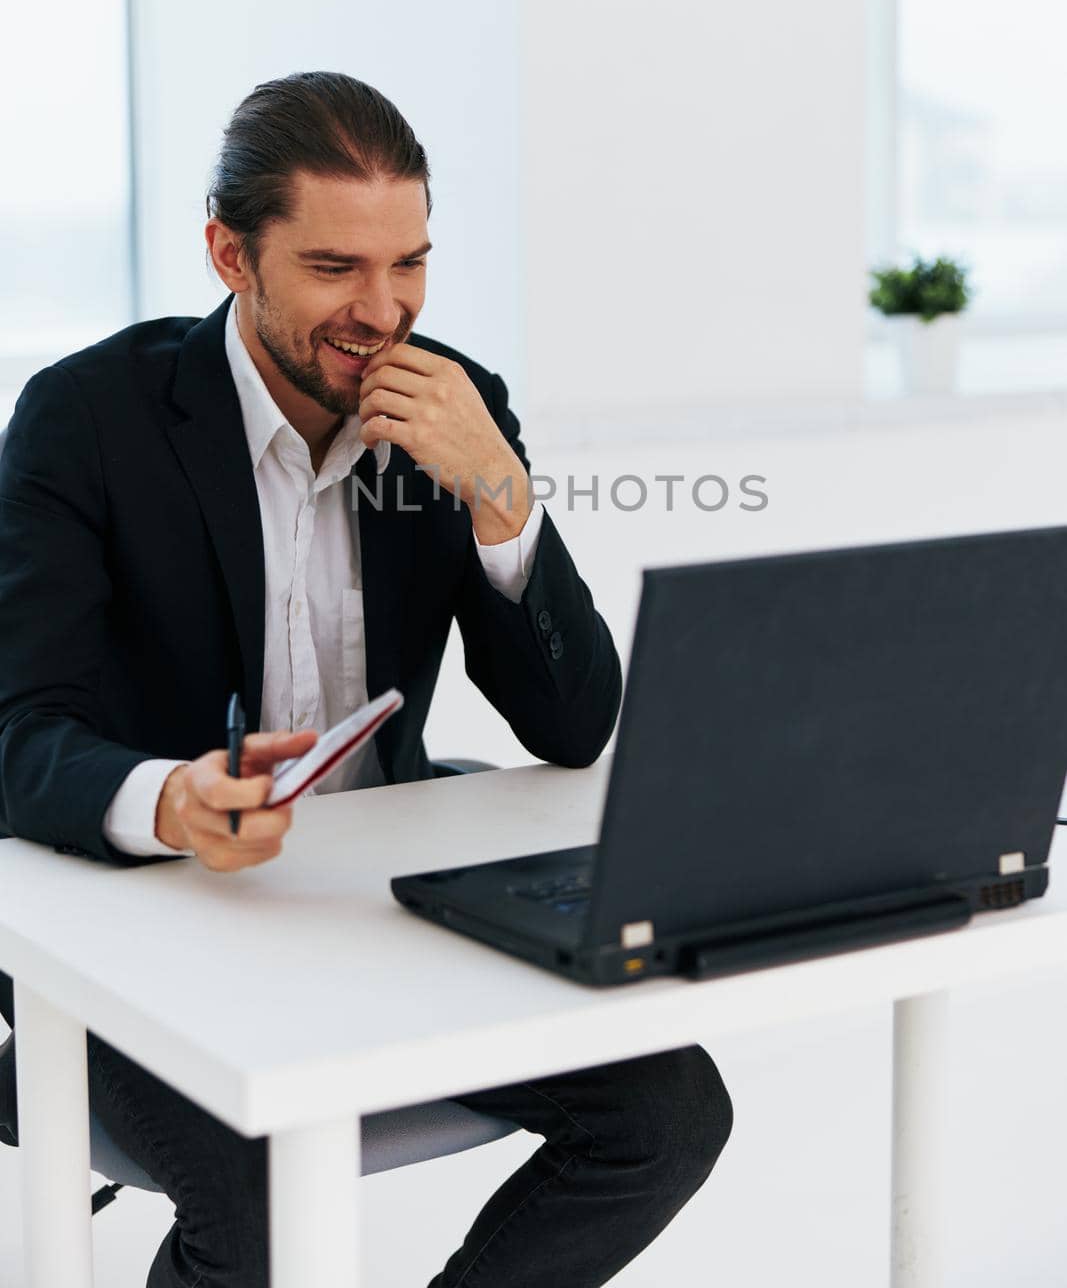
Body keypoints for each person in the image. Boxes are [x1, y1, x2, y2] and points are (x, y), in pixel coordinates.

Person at [0, 72, 732, 1286]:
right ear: (230, 252)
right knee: (259, 1201)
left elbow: (571, 725)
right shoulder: (88, 418)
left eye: (412, 264)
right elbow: (21, 732)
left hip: (375, 911)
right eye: (336, 266)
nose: (382, 310)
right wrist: (168, 797)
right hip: (152, 920)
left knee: (664, 1118)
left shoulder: (454, 411)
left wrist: (499, 495)